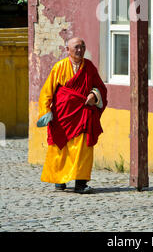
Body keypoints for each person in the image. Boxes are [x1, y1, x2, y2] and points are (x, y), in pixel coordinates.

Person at [37, 37, 107, 194]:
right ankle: (59, 179)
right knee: (60, 148)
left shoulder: (89, 67)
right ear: (67, 50)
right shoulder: (59, 67)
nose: (80, 50)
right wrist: (46, 111)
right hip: (62, 116)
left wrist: (94, 95)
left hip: (83, 114)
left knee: (83, 149)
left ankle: (81, 183)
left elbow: (100, 87)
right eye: (76, 47)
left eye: (83, 46)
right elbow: (46, 93)